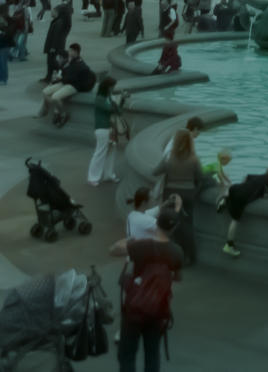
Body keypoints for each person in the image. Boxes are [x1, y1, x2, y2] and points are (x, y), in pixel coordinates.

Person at [109, 205, 183, 372]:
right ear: (174, 228)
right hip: (158, 308)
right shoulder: (177, 252)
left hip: (134, 306)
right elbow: (177, 278)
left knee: (127, 354)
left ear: (156, 223)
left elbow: (112, 250)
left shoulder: (141, 246)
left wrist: (128, 239)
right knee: (152, 354)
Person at [154, 127, 204, 266]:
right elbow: (201, 177)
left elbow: (155, 172)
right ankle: (191, 257)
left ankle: (173, 256)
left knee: (171, 225)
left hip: (171, 194)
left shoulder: (169, 158)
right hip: (188, 194)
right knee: (188, 226)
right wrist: (194, 192)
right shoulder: (194, 159)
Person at [223, 165, 268, 257]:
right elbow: (266, 194)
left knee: (230, 193)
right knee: (235, 220)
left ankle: (225, 200)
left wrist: (244, 185)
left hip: (235, 189)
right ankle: (229, 245)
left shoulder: (260, 176)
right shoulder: (267, 183)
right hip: (241, 198)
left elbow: (247, 176)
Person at [37, 42, 94, 123]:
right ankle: (46, 111)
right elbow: (61, 72)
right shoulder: (68, 61)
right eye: (69, 50)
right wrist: (56, 80)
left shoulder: (80, 65)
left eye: (70, 51)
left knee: (55, 97)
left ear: (76, 52)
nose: (69, 52)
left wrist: (59, 79)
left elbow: (71, 78)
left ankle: (62, 113)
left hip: (73, 86)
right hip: (64, 82)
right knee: (45, 92)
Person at [87, 74, 122, 186]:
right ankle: (93, 177)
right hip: (102, 128)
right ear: (107, 87)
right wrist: (117, 101)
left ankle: (109, 175)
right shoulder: (100, 99)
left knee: (112, 151)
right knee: (100, 152)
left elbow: (119, 111)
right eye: (112, 86)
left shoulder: (108, 98)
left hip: (110, 128)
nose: (113, 88)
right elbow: (110, 109)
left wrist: (121, 100)